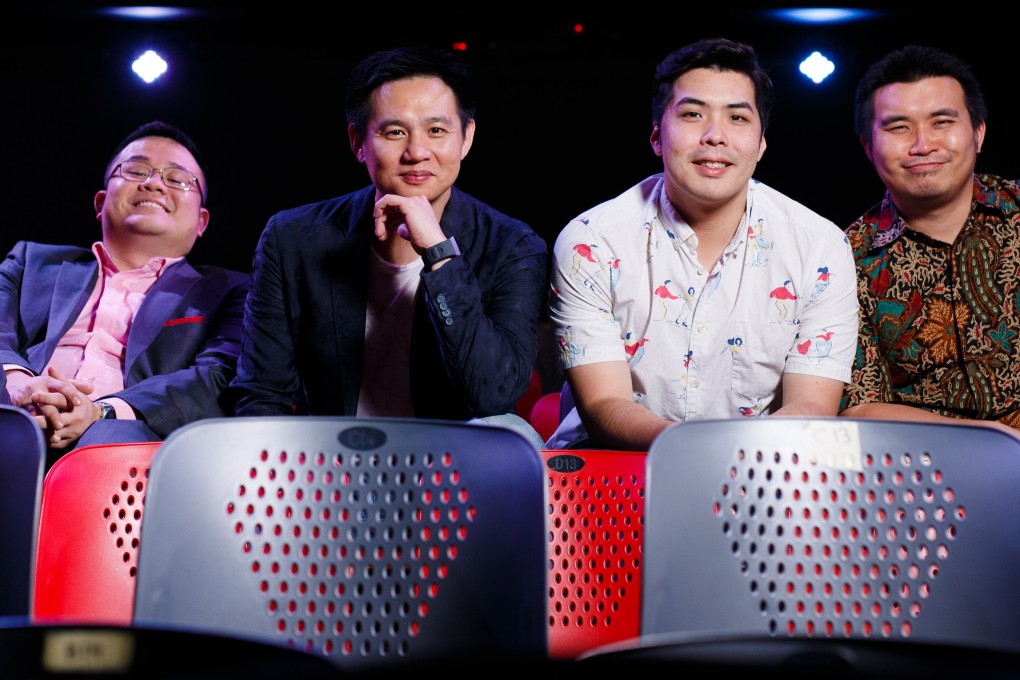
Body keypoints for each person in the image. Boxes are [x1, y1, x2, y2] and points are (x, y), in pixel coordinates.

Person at [223, 45, 548, 445]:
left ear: (466, 138)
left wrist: (439, 253)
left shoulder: (513, 245)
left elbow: (494, 396)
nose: (416, 152)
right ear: (357, 142)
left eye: (436, 130)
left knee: (511, 433)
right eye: (394, 132)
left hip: (456, 468)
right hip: (328, 460)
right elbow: (262, 393)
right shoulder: (293, 238)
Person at [546, 37, 858, 451]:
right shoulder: (591, 242)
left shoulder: (820, 248)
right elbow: (605, 404)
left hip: (765, 465)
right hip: (620, 465)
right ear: (657, 136)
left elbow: (811, 407)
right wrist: (703, 450)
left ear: (762, 142)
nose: (715, 136)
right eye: (693, 114)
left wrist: (732, 457)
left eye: (737, 118)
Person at [0, 120, 249, 465]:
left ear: (202, 221)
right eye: (136, 171)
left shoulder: (231, 291)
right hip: (12, 414)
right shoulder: (31, 261)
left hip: (123, 446)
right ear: (101, 202)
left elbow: (216, 377)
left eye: (177, 179)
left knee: (112, 442)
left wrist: (102, 412)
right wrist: (16, 382)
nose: (154, 184)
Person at [839, 45, 1020, 429]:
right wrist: (996, 440)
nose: (923, 145)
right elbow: (859, 405)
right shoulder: (843, 259)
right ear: (868, 148)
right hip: (925, 468)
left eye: (941, 122)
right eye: (899, 127)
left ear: (978, 133)